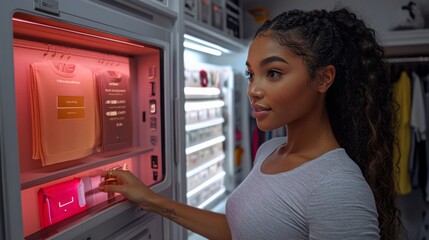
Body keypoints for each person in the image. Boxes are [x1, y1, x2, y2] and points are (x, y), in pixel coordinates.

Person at [99, 7, 403, 240]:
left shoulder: (337, 186)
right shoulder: (269, 151)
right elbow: (241, 230)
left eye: (273, 73)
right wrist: (151, 200)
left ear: (323, 78)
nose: (253, 90)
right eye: (251, 74)